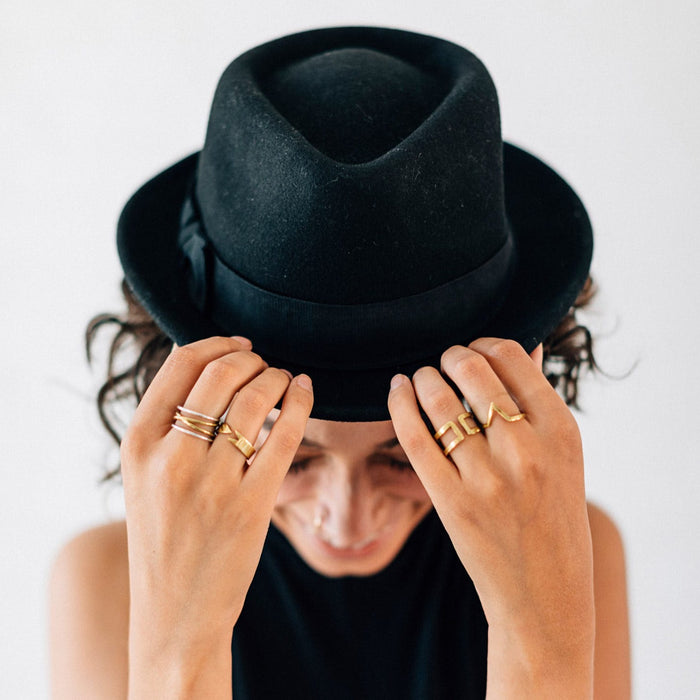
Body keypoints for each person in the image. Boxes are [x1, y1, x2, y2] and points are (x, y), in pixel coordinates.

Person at [49, 26, 630, 699]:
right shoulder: (104, 580)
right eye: (292, 459)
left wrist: (539, 633)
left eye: (405, 458)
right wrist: (179, 644)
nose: (347, 520)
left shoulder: (574, 550)